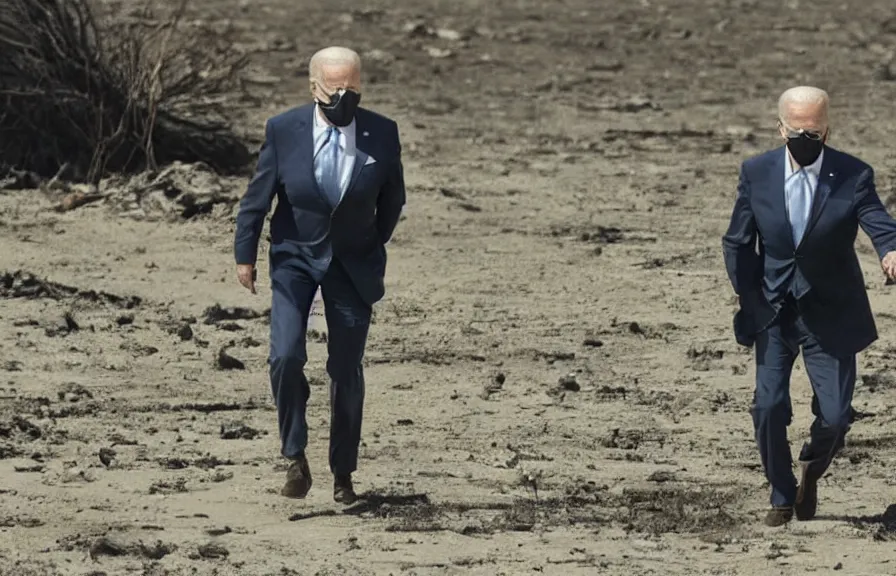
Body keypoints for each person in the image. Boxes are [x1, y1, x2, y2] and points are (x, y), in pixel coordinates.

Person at [233, 46, 406, 504]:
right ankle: (295, 456)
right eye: (334, 88)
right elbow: (258, 197)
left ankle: (343, 474)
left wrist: (371, 242)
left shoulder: (382, 133)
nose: (343, 96)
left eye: (352, 87)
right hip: (295, 258)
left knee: (345, 369)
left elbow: (393, 199)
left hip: (352, 263)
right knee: (285, 356)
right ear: (314, 88)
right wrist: (245, 255)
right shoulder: (284, 130)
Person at [722, 86, 896, 527]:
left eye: (814, 132)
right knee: (768, 406)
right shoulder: (756, 172)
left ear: (827, 129)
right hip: (774, 308)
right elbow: (738, 241)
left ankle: (811, 470)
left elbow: (880, 223)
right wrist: (748, 295)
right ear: (780, 128)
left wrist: (890, 252)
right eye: (797, 130)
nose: (805, 138)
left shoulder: (853, 174)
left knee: (836, 417)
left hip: (832, 309)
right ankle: (781, 495)